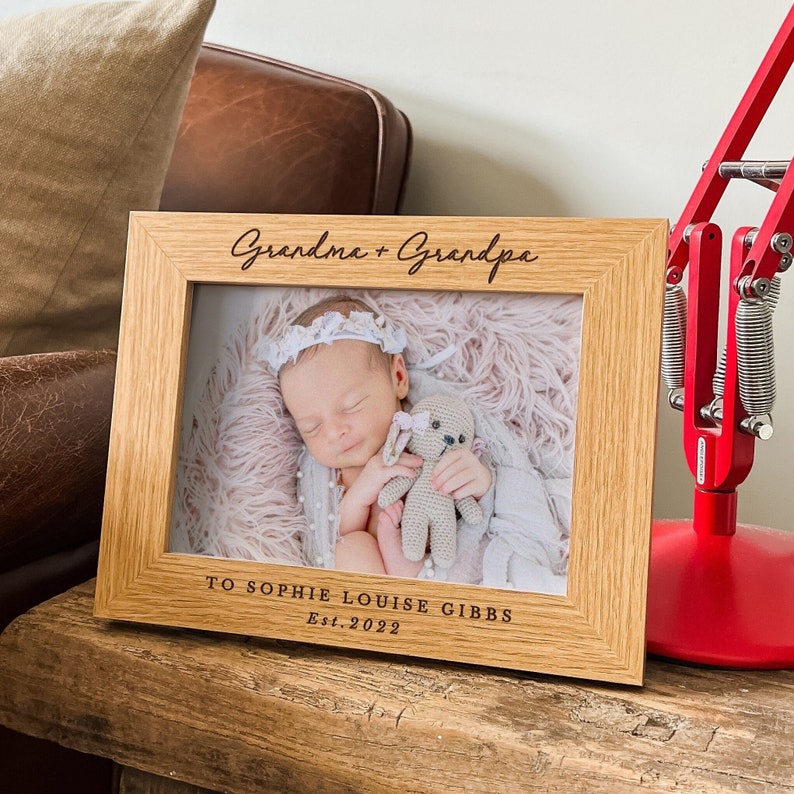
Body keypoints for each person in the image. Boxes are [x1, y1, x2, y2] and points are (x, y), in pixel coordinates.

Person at [267, 295, 493, 577]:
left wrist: (481, 481)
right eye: (312, 427)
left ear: (398, 378)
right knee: (351, 547)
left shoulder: (428, 426)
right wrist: (363, 489)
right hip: (379, 589)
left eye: (350, 407)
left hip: (447, 572)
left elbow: (496, 502)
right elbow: (335, 536)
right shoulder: (338, 475)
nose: (335, 432)